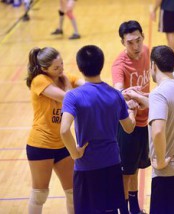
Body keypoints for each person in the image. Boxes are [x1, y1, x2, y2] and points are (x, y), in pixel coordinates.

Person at [60, 45, 137, 214]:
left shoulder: (73, 96)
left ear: (80, 67)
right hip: (111, 164)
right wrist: (132, 110)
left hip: (86, 167)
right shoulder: (116, 95)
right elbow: (129, 128)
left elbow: (64, 130)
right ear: (101, 64)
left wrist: (75, 153)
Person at [124, 45, 174, 214]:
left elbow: (158, 131)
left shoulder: (159, 93)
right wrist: (141, 98)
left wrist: (162, 161)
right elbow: (169, 110)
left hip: (169, 172)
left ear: (153, 66)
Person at [25, 47, 84, 214]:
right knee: (40, 194)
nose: (61, 70)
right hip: (41, 145)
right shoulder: (39, 80)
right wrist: (66, 82)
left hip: (62, 145)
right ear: (45, 69)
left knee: (73, 193)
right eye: (56, 68)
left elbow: (88, 87)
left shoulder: (63, 76)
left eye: (62, 65)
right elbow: (68, 98)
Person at [111, 20, 151, 214]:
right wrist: (128, 98)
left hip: (145, 121)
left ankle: (134, 209)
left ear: (143, 36)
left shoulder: (147, 52)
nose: (136, 46)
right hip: (128, 125)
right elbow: (118, 91)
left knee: (134, 168)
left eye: (138, 40)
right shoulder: (120, 64)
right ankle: (123, 210)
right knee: (125, 173)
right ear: (122, 42)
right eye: (130, 42)